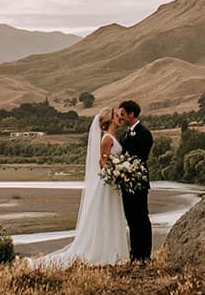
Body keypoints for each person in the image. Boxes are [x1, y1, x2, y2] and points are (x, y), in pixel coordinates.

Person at [24, 109, 130, 268]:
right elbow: (102, 162)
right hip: (109, 182)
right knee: (107, 215)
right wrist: (116, 170)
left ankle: (113, 251)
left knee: (112, 215)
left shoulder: (112, 137)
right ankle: (106, 252)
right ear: (110, 119)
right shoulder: (107, 139)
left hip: (112, 182)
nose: (119, 118)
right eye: (116, 116)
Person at [115, 100, 154, 263]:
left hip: (138, 181)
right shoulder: (124, 134)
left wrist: (127, 167)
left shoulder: (144, 133)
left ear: (131, 114)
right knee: (131, 218)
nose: (121, 117)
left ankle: (145, 255)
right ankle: (135, 253)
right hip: (126, 182)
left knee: (141, 217)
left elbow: (141, 158)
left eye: (123, 114)